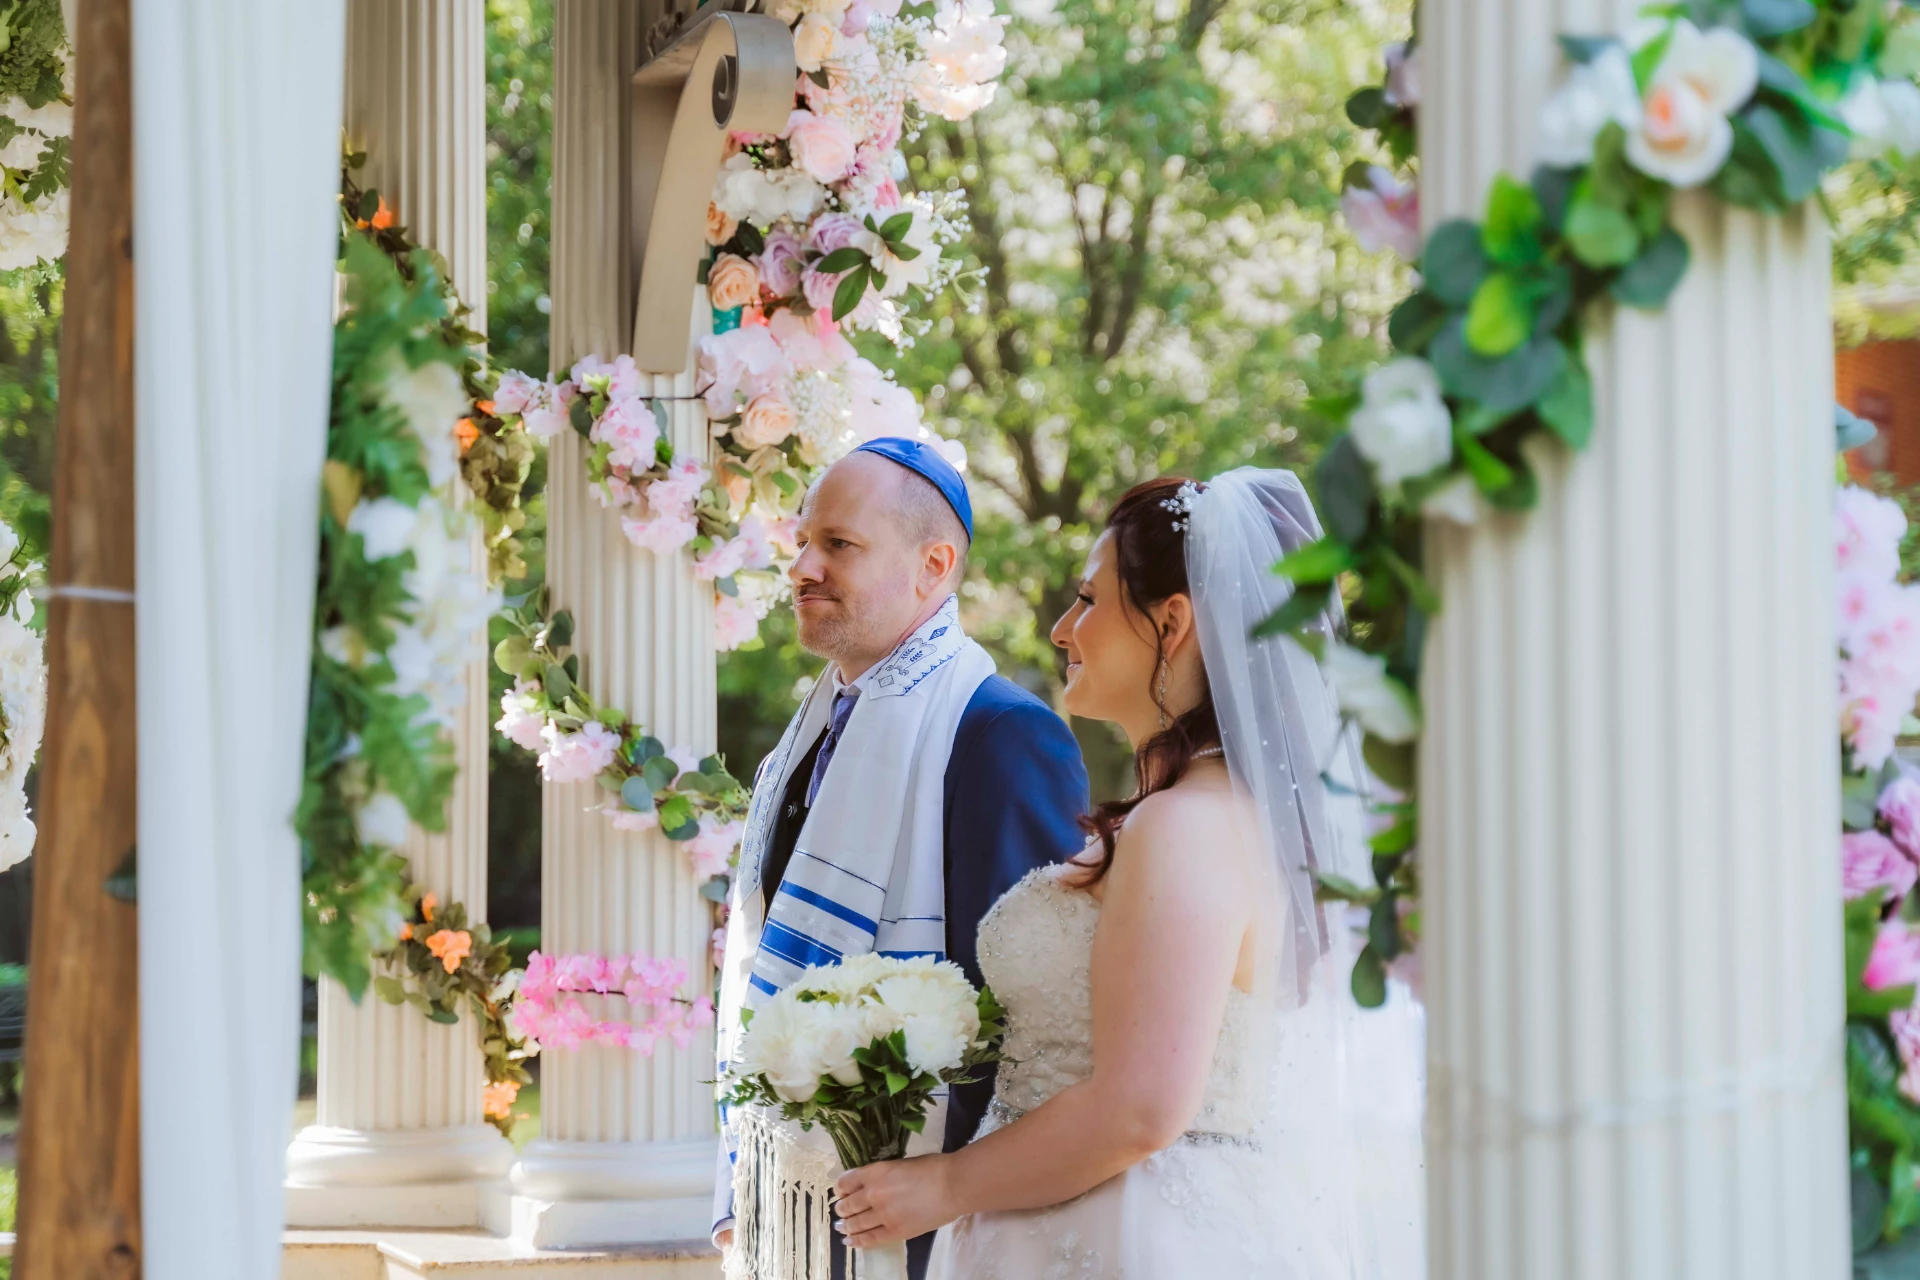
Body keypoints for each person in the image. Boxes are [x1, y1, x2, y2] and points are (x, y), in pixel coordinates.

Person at [831, 470, 1427, 1278]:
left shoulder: (1188, 824)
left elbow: (1141, 1107)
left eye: (1088, 599)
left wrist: (942, 1186)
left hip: (1134, 1234)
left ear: (1171, 623)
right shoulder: (1197, 811)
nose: (1061, 628)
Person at [712, 436, 1090, 1280]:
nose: (803, 568)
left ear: (934, 566)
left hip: (930, 1220)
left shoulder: (1002, 734)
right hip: (804, 1203)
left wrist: (953, 1203)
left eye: (839, 544)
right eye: (802, 542)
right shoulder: (804, 741)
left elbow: (1036, 1020)